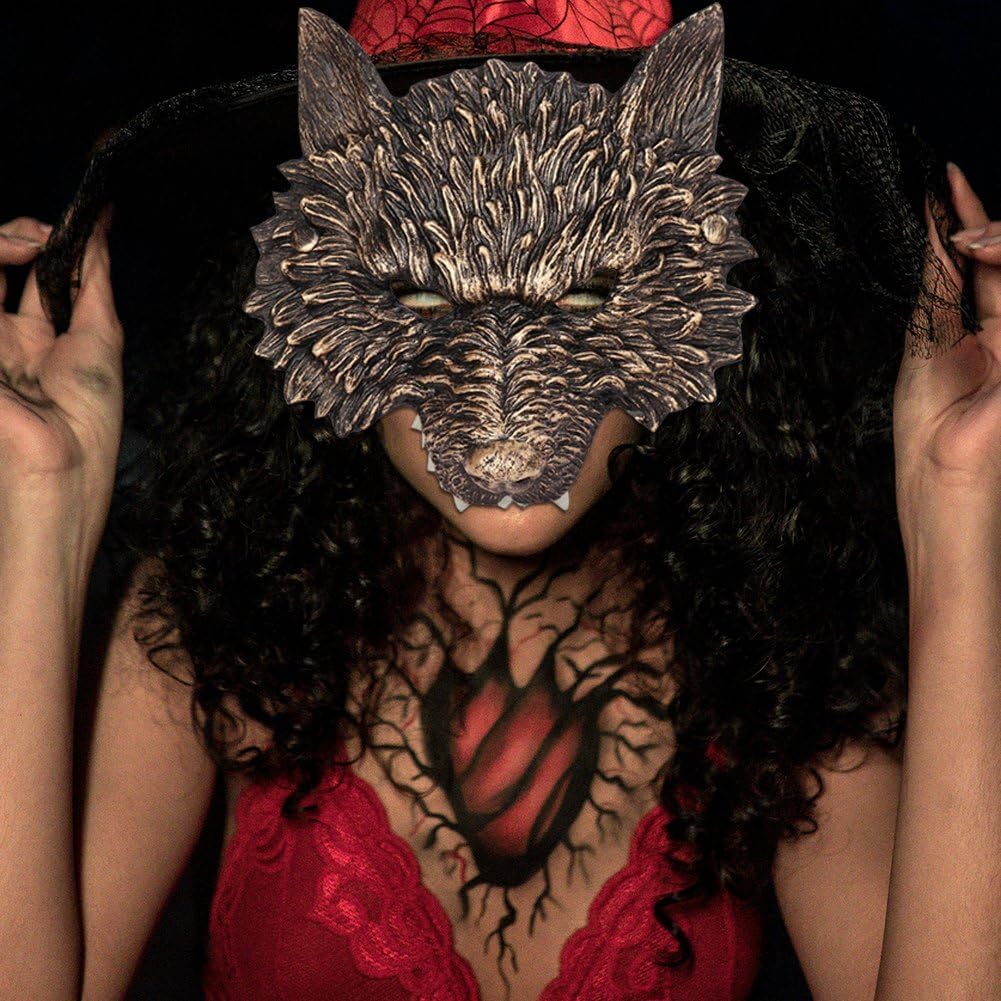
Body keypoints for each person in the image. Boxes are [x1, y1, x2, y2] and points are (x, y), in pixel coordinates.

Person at [1, 2, 999, 999]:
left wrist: (957, 498)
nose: (502, 396)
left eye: (585, 289)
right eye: (423, 291)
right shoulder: (212, 610)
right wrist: (44, 497)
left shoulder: (787, 648)